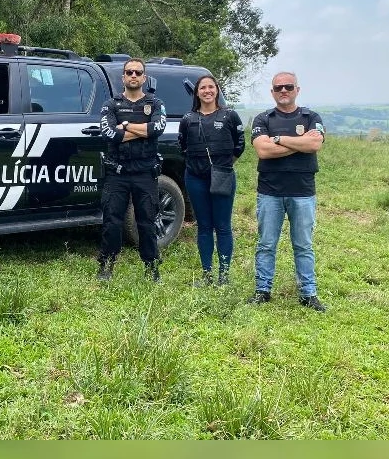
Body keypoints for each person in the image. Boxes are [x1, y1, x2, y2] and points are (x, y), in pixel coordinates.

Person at [247, 71, 328, 312]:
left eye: (288, 87)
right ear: (272, 92)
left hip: (303, 192)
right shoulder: (263, 119)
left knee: (303, 245)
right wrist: (299, 145)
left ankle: (308, 294)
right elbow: (263, 151)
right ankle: (263, 290)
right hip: (269, 191)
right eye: (279, 87)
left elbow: (315, 144)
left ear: (297, 90)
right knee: (266, 244)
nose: (284, 91)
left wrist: (279, 139)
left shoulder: (311, 116)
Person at [97, 58, 167, 282]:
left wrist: (125, 126)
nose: (134, 76)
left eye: (138, 72)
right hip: (117, 173)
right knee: (112, 222)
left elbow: (157, 128)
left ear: (144, 78)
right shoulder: (111, 104)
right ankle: (106, 266)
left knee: (147, 222)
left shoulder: (155, 104)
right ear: (123, 77)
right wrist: (142, 130)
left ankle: (151, 267)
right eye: (129, 72)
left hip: (145, 173)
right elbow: (109, 133)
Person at [178, 75, 245, 287]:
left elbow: (239, 146)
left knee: (223, 226)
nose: (207, 91)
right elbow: (183, 147)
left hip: (223, 176)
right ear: (197, 92)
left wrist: (223, 166)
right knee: (204, 226)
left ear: (217, 90)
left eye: (211, 87)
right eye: (203, 88)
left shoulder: (230, 116)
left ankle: (223, 275)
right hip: (195, 178)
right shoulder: (188, 118)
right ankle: (207, 275)